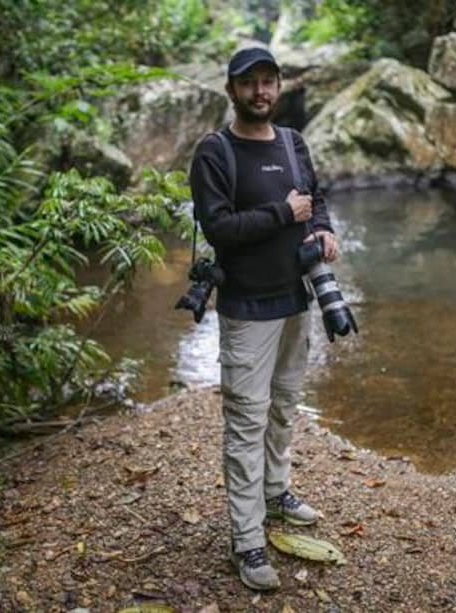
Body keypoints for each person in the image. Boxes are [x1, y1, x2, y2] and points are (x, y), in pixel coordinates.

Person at [188, 47, 338, 591]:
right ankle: (246, 540)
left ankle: (276, 492)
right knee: (246, 422)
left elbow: (316, 199)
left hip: (298, 299)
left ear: (279, 86)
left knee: (283, 407)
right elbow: (218, 228)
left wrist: (322, 229)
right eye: (249, 83)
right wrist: (284, 214)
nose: (260, 92)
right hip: (248, 308)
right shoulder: (215, 152)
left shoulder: (294, 143)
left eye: (269, 82)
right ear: (230, 90)